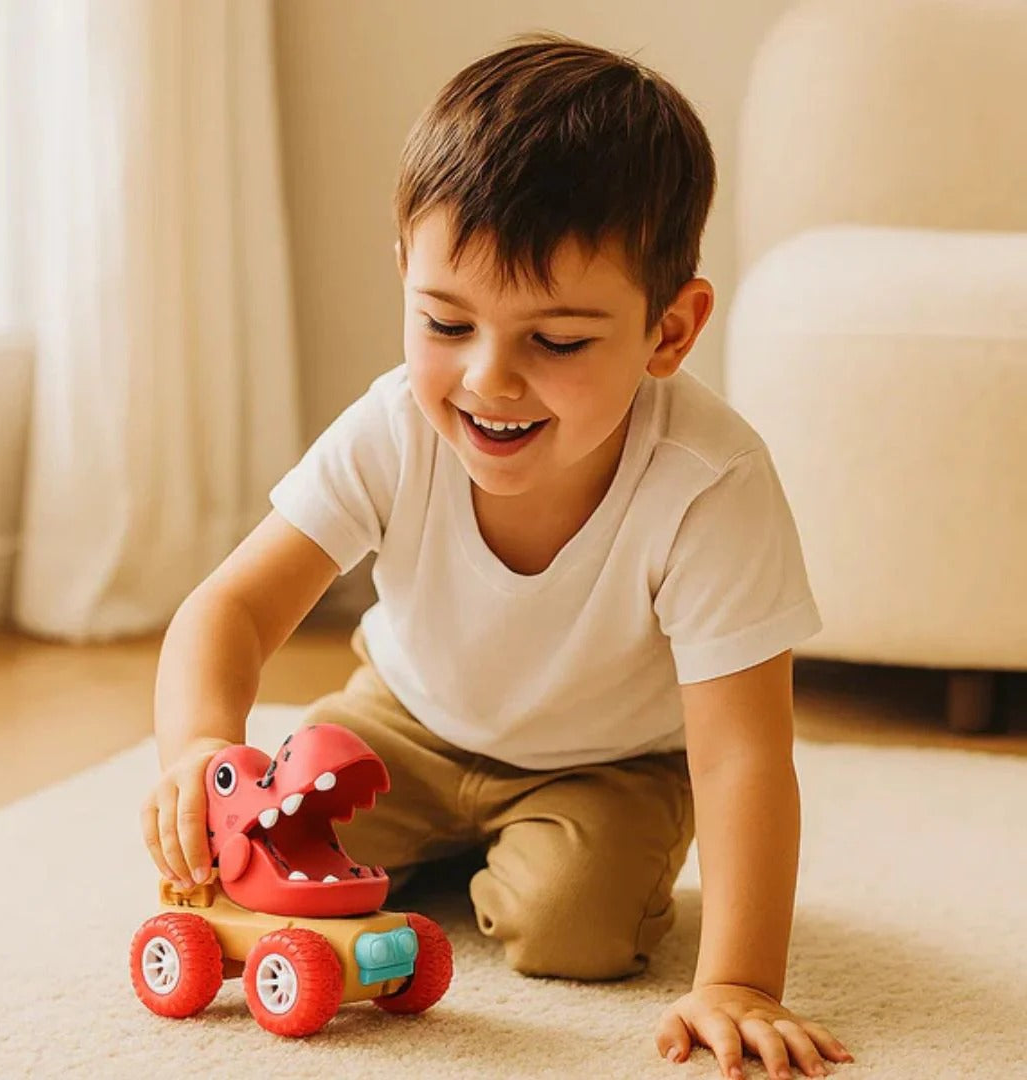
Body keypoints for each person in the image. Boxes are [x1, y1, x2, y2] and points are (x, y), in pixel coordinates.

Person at [140, 31, 853, 1079]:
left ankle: (482, 861)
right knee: (259, 855)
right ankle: (430, 852)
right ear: (406, 277)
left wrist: (740, 982)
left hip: (609, 763)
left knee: (575, 931)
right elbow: (231, 610)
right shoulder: (393, 429)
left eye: (556, 341)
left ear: (669, 331)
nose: (489, 380)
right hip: (406, 722)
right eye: (444, 322)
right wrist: (198, 748)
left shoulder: (710, 484)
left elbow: (742, 753)